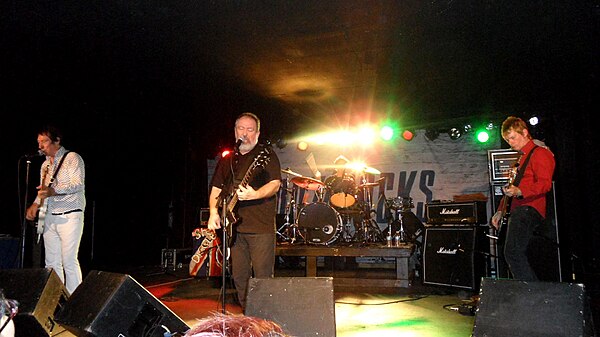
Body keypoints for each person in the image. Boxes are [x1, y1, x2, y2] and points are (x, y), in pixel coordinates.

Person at [207, 112, 281, 310]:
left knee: (263, 277)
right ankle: (248, 317)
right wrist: (214, 212)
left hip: (260, 228)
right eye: (241, 128)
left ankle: (265, 320)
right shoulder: (228, 159)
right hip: (234, 230)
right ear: (235, 131)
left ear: (257, 133)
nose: (245, 133)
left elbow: (275, 184)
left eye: (250, 129)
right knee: (239, 277)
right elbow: (216, 188)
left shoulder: (265, 155)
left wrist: (255, 195)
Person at [491, 116, 555, 281]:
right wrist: (499, 211)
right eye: (507, 140)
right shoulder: (520, 159)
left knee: (512, 252)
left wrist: (520, 191)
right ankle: (527, 290)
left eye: (513, 137)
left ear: (525, 132)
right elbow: (511, 190)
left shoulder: (540, 153)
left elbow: (545, 184)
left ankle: (532, 293)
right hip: (518, 209)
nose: (510, 143)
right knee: (513, 252)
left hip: (529, 207)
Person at [25, 125, 86, 295]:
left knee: (68, 260)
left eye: (44, 141)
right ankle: (55, 299)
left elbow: (77, 184)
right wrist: (35, 204)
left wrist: (54, 191)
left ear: (56, 140)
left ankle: (74, 300)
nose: (40, 146)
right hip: (50, 216)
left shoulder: (72, 158)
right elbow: (45, 189)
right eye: (39, 142)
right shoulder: (45, 166)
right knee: (51, 262)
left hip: (70, 214)